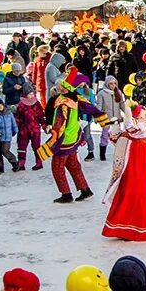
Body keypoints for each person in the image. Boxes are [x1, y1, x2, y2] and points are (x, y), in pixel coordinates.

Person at [38, 69, 109, 203]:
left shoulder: (62, 103)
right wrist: (103, 119)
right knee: (73, 165)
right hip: (74, 137)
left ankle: (66, 194)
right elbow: (91, 108)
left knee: (57, 168)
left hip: (64, 141)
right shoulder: (76, 98)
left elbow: (59, 123)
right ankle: (84, 189)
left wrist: (53, 137)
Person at [102, 106, 146, 241]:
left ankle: (137, 226)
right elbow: (117, 138)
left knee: (139, 190)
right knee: (126, 190)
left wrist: (126, 116)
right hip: (130, 162)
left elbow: (132, 129)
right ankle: (123, 226)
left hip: (141, 161)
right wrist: (114, 126)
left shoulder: (142, 127)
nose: (143, 116)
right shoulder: (133, 126)